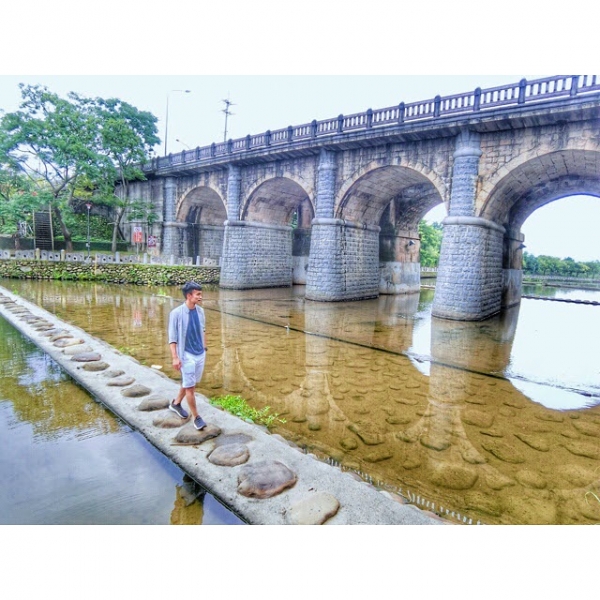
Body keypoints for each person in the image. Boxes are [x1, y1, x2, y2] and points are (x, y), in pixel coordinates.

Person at [168, 281, 207, 430]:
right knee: (190, 388)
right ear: (189, 296)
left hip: (200, 353)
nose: (200, 297)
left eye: (200, 294)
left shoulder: (200, 311)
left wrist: (204, 348)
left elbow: (203, 330)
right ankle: (196, 417)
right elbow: (172, 338)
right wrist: (175, 357)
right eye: (198, 294)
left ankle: (176, 403)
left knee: (190, 382)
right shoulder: (176, 313)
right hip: (186, 355)